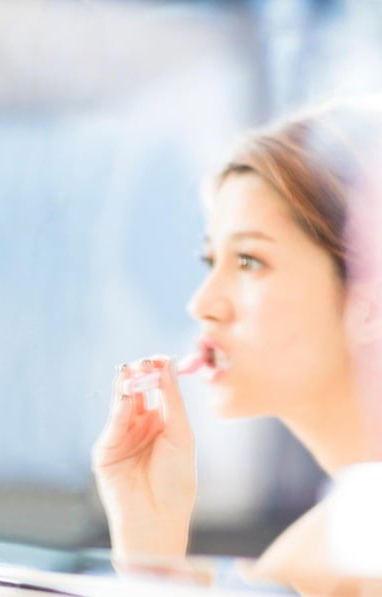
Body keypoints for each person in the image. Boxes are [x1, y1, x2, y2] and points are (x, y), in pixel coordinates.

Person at [91, 99, 382, 595]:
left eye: (249, 261)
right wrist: (151, 556)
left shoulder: (330, 557)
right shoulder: (303, 562)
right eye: (211, 261)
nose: (202, 304)